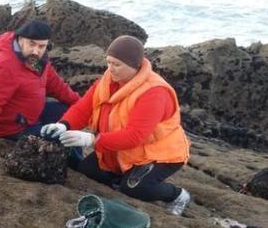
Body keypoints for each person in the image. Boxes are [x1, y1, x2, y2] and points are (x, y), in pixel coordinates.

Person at [41, 35, 192, 215]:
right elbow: (83, 108)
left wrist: (92, 139)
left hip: (157, 154)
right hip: (121, 150)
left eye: (116, 64)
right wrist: (64, 125)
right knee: (87, 169)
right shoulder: (107, 81)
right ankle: (122, 178)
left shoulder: (154, 92)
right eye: (108, 62)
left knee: (135, 189)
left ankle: (178, 195)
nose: (110, 68)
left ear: (134, 66)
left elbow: (135, 135)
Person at [0, 20, 80, 153]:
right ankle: (78, 165)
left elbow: (57, 86)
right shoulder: (5, 65)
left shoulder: (37, 60)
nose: (36, 51)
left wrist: (82, 105)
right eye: (32, 44)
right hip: (15, 126)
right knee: (63, 138)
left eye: (41, 46)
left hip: (33, 115)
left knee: (71, 112)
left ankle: (78, 156)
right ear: (21, 40)